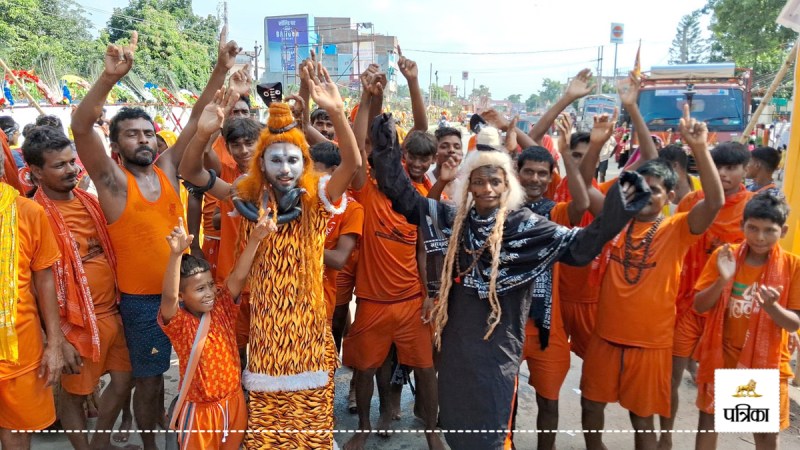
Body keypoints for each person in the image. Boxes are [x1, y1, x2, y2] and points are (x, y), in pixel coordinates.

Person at [371, 110, 650, 449]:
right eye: (479, 181)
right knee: (457, 426)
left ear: (507, 185)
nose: (487, 189)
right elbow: (403, 197)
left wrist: (620, 208)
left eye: (495, 181)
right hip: (457, 348)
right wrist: (384, 137)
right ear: (469, 185)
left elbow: (579, 248)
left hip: (498, 350)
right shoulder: (452, 219)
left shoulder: (526, 226)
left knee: (489, 433)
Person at [70, 29, 239, 450]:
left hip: (188, 294)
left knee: (210, 368)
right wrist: (108, 78)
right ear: (115, 144)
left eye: (148, 133)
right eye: (132, 134)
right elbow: (79, 126)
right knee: (147, 384)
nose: (143, 139)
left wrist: (220, 69)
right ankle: (151, 446)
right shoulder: (111, 182)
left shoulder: (167, 169)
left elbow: (199, 120)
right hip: (144, 305)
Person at [179, 59, 360, 448]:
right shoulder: (244, 197)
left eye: (293, 159)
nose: (284, 168)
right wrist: (204, 131)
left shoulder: (318, 199)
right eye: (275, 159)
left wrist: (336, 111)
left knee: (311, 424)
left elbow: (354, 163)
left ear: (305, 164)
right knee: (269, 428)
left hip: (310, 327)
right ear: (261, 162)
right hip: (266, 330)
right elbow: (190, 170)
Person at [580, 104, 724, 450]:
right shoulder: (615, 218)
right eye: (640, 187)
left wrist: (700, 149)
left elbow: (715, 202)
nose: (646, 194)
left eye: (655, 189)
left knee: (642, 419)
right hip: (605, 338)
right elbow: (583, 186)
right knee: (589, 406)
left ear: (670, 197)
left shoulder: (677, 228)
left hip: (651, 345)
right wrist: (597, 144)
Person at [343, 52, 442, 450]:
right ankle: (365, 426)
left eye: (421, 159)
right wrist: (368, 98)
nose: (411, 162)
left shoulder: (420, 195)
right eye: (403, 156)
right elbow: (358, 142)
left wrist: (431, 295)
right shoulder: (365, 187)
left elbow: (421, 134)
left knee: (427, 370)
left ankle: (432, 431)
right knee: (366, 371)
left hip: (412, 302)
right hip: (370, 300)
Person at [21, 126, 132, 450]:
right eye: (60, 165)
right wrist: (54, 340)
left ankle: (99, 443)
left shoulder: (90, 201)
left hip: (113, 312)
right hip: (75, 325)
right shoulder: (31, 214)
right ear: (36, 172)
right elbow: (29, 283)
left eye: (72, 162)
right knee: (75, 394)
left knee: (125, 382)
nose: (71, 169)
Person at [664, 141, 755, 447]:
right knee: (670, 379)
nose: (724, 173)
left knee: (731, 387)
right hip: (686, 304)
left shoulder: (754, 207)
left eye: (731, 167)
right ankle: (665, 440)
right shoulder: (692, 201)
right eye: (718, 167)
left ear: (747, 169)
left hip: (731, 311)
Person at [693, 193, 800, 450]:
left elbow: (793, 324)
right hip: (723, 357)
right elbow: (699, 305)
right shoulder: (724, 257)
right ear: (742, 226)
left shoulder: (791, 266)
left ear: (782, 231)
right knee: (710, 422)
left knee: (763, 433)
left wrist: (772, 307)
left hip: (766, 363)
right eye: (752, 228)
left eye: (769, 230)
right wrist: (722, 279)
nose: (760, 237)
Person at [159, 214, 266, 450]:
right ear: (182, 296)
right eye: (199, 289)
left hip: (234, 403)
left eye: (209, 285)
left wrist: (256, 238)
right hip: (200, 412)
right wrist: (176, 255)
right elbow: (168, 297)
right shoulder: (180, 324)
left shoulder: (222, 308)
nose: (208, 292)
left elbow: (239, 275)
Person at [517, 113, 591, 450]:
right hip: (507, 326)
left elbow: (583, 203)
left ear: (550, 179)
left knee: (549, 402)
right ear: (517, 175)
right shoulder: (500, 210)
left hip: (549, 328)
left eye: (541, 174)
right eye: (528, 172)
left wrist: (565, 153)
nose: (534, 179)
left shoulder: (556, 212)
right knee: (505, 398)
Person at [0, 145, 64, 449]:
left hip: (21, 351)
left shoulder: (28, 213)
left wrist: (54, 344)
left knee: (15, 435)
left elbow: (45, 280)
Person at [311, 141, 364, 349]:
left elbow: (339, 259)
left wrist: (297, 244)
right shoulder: (301, 199)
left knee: (323, 355)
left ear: (333, 171)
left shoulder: (352, 209)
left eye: (312, 169)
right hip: (289, 293)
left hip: (323, 297)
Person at [658, 144, 702, 215]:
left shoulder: (703, 186)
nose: (659, 171)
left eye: (662, 167)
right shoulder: (658, 191)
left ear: (675, 165)